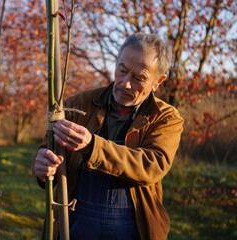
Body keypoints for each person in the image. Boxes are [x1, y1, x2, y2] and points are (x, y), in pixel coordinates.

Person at [32, 33, 184, 240]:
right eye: (121, 71)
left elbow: (153, 165)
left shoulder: (165, 117)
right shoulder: (76, 105)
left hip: (133, 230)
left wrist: (92, 147)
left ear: (158, 81)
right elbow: (47, 151)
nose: (125, 84)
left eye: (139, 78)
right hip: (75, 226)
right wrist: (41, 167)